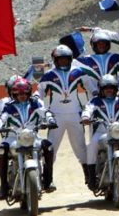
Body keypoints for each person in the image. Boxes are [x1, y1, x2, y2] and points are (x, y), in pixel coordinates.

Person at [0, 78, 57, 199]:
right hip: (12, 137)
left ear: (29, 93)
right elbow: (2, 117)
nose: (22, 96)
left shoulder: (35, 103)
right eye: (19, 94)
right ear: (14, 94)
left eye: (25, 93)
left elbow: (45, 112)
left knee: (49, 146)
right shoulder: (8, 106)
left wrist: (51, 119)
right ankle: (4, 185)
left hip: (32, 136)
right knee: (1, 150)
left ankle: (48, 180)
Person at [37, 44, 92, 184]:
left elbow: (91, 88)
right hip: (56, 117)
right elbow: (39, 93)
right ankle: (47, 179)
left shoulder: (78, 72)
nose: (63, 62)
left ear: (70, 59)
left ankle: (90, 177)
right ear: (55, 60)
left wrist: (97, 98)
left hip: (76, 114)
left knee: (80, 147)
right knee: (51, 148)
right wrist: (38, 103)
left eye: (65, 59)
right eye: (60, 59)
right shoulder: (48, 75)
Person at [76, 30, 119, 96]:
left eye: (104, 43)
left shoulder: (115, 58)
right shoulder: (85, 60)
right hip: (94, 98)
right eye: (98, 43)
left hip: (114, 97)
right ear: (93, 44)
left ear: (108, 44)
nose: (101, 45)